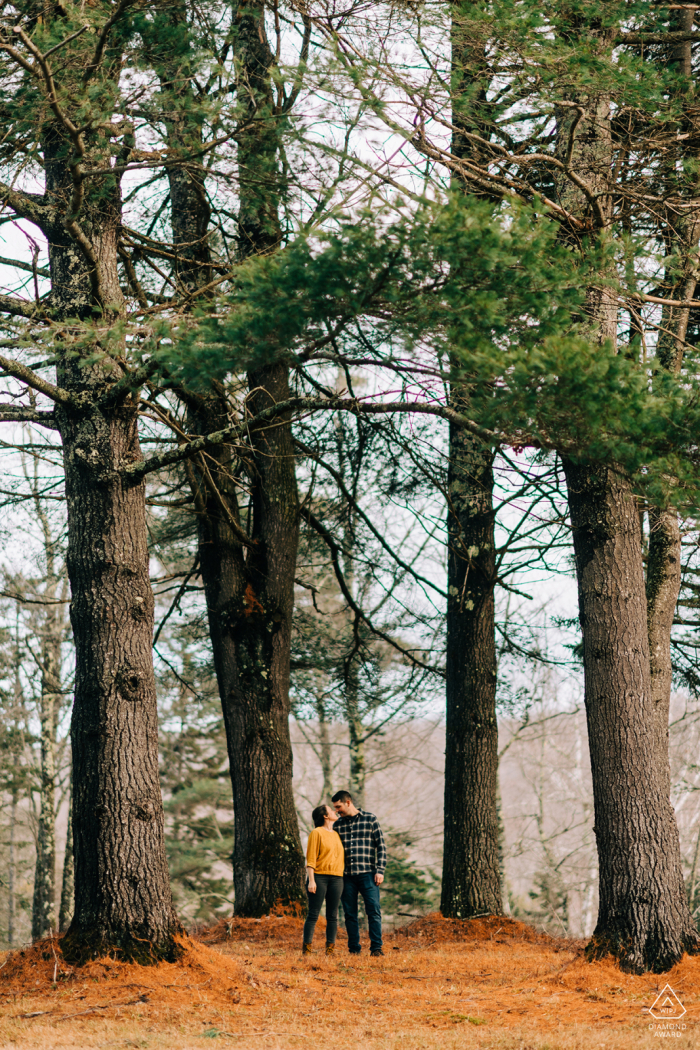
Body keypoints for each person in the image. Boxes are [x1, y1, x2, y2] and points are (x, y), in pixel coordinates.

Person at [332, 790, 387, 957]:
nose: (337, 811)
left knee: (373, 911)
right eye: (335, 808)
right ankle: (354, 949)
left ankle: (376, 948)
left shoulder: (370, 819)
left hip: (368, 874)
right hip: (346, 876)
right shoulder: (338, 825)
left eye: (339, 807)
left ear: (348, 802)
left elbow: (381, 846)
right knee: (350, 914)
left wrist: (380, 870)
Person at [303, 804, 345, 955]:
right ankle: (307, 949)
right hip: (319, 877)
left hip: (337, 878)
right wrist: (311, 880)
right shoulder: (316, 833)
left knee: (332, 916)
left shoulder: (336, 834)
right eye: (331, 810)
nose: (335, 811)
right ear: (325, 816)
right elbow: (311, 858)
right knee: (313, 914)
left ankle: (330, 950)